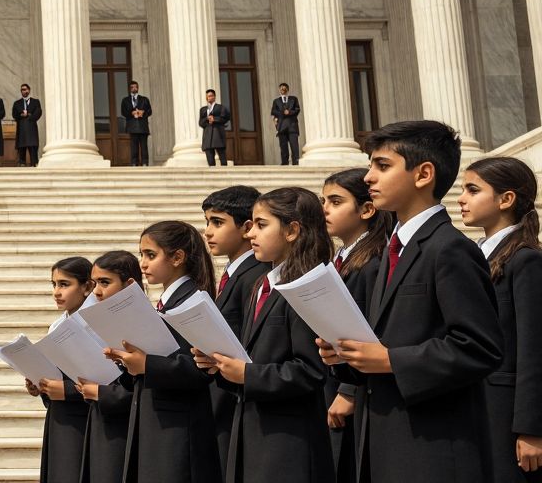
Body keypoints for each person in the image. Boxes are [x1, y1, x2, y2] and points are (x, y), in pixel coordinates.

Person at [318, 120, 503, 483]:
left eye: (382, 166)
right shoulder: (389, 251)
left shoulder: (450, 249)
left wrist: (390, 360)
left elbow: (481, 348)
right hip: (383, 441)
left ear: (424, 174)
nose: (369, 177)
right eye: (370, 165)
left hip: (433, 447)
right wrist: (348, 356)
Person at [194, 187, 334, 483]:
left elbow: (310, 371)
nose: (251, 234)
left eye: (261, 225)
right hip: (253, 429)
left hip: (289, 440)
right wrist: (219, 364)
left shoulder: (306, 285)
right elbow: (249, 357)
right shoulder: (261, 284)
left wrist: (247, 374)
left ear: (292, 230)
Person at [105, 220, 221, 483]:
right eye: (142, 255)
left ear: (177, 257)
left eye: (150, 255)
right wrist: (127, 359)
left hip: (179, 427)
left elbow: (201, 368)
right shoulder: (166, 302)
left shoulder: (193, 300)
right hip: (156, 420)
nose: (143, 263)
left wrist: (147, 364)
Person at [458, 157, 542, 481]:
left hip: (506, 415)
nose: (462, 198)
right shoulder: (474, 255)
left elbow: (533, 349)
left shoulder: (527, 261)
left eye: (473, 190)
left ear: (506, 199)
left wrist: (531, 428)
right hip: (473, 406)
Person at [320, 168, 393, 482]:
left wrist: (348, 391)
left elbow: (372, 328)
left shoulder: (373, 262)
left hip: (356, 386)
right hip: (333, 377)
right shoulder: (339, 259)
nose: (325, 209)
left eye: (335, 201)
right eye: (324, 201)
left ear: (366, 209)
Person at [201, 185, 269, 471]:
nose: (207, 232)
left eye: (217, 222)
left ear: (247, 228)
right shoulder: (234, 273)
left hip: (240, 396)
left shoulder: (255, 274)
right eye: (207, 222)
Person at [24, 257, 93, 483]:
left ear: (87, 287)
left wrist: (67, 390)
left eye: (64, 284)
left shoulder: (96, 324)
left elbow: (109, 381)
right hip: (58, 415)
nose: (56, 292)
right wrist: (39, 384)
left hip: (85, 418)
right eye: (53, 284)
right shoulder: (56, 325)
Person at [74, 250, 141, 483]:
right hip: (102, 421)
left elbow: (139, 385)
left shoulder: (142, 323)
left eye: (105, 282)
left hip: (124, 430)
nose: (97, 292)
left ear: (129, 283)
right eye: (95, 283)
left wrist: (101, 392)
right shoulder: (104, 322)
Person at [121, 81, 152, 167]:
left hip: (142, 126)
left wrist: (142, 113)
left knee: (144, 146)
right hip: (132, 126)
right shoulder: (125, 100)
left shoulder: (145, 99)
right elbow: (123, 112)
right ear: (129, 89)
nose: (134, 88)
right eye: (132, 87)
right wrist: (131, 113)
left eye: (135, 87)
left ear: (138, 88)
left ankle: (145, 163)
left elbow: (150, 111)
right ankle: (134, 163)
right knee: (134, 146)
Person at [271, 83, 301, 166]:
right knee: (283, 146)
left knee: (294, 145)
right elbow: (273, 111)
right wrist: (282, 113)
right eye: (281, 89)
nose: (283, 90)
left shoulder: (294, 99)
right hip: (281, 127)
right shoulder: (276, 101)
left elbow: (297, 109)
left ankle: (296, 162)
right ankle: (285, 162)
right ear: (279, 90)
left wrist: (289, 112)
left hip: (292, 126)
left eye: (284, 89)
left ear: (287, 89)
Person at [13, 84, 42, 167]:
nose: (24, 91)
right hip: (21, 128)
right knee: (22, 147)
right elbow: (14, 114)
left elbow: (38, 112)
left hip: (31, 127)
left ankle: (34, 163)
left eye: (25, 89)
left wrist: (29, 115)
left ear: (29, 90)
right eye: (22, 90)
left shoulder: (35, 101)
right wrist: (21, 115)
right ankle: (22, 163)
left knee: (32, 146)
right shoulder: (17, 103)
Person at [199, 89, 230, 166]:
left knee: (222, 156)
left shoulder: (221, 107)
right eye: (208, 96)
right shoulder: (203, 110)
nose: (209, 97)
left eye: (211, 96)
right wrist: (207, 119)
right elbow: (200, 123)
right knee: (209, 157)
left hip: (218, 134)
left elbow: (226, 118)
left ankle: (224, 173)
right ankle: (212, 175)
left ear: (214, 96)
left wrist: (215, 119)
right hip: (207, 136)